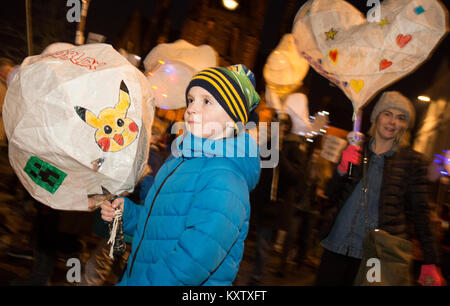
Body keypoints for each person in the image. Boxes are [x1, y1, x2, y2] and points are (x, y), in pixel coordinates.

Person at [100, 64, 261, 285]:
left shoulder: (225, 180)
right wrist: (126, 213)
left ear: (233, 118)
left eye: (206, 101)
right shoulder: (179, 161)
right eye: (191, 100)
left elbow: (191, 262)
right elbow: (160, 227)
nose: (191, 109)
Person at [316, 91, 445, 286]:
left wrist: (431, 261)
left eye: (400, 117)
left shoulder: (412, 162)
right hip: (336, 245)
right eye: (388, 114)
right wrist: (341, 170)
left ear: (405, 125)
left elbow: (421, 214)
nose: (393, 121)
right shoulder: (356, 149)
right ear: (377, 116)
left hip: (376, 255)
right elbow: (330, 195)